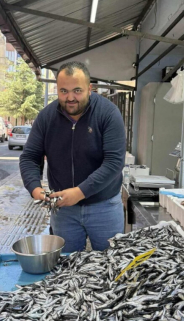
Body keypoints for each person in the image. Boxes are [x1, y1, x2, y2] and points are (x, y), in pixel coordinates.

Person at [19, 60, 126, 251]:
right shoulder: (46, 117)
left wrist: (79, 192)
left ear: (89, 89)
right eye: (63, 91)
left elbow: (114, 162)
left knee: (111, 261)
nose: (70, 98)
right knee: (66, 264)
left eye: (77, 90)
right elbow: (30, 157)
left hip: (105, 207)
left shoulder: (108, 113)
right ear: (57, 89)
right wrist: (35, 189)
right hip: (63, 210)